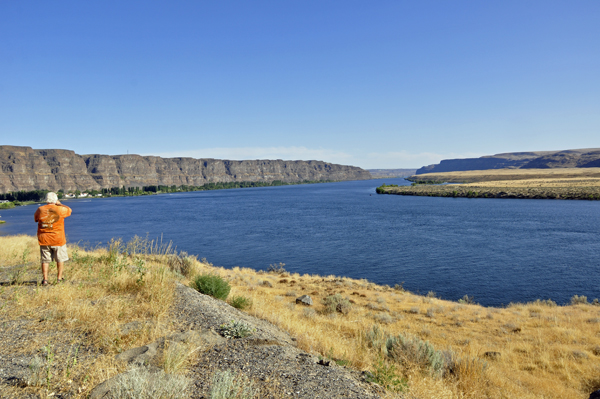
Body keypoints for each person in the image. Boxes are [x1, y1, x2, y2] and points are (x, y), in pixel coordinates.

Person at [34, 192, 72, 286]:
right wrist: (60, 204)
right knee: (60, 259)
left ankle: (45, 280)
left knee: (45, 260)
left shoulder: (40, 209)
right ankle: (59, 279)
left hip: (44, 239)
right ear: (55, 199)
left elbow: (36, 219)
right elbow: (69, 210)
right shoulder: (60, 209)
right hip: (58, 239)